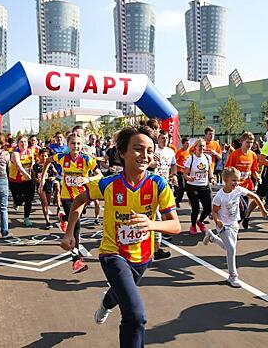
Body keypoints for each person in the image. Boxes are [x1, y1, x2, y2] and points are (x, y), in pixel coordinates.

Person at [60, 126, 181, 347]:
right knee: (136, 316)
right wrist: (70, 233)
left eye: (149, 151)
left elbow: (175, 225)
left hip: (143, 257)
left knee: (119, 293)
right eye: (138, 149)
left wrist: (151, 224)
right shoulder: (108, 184)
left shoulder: (158, 184)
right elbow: (78, 201)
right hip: (112, 253)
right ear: (122, 152)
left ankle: (105, 303)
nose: (144, 156)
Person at [40, 133, 102, 273]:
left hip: (82, 196)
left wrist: (88, 180)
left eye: (78, 144)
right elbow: (48, 160)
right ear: (68, 145)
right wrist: (43, 178)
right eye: (73, 143)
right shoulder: (62, 157)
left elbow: (99, 174)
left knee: (73, 219)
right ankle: (76, 259)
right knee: (77, 225)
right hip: (66, 196)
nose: (76, 146)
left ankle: (63, 218)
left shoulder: (87, 159)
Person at [204, 167, 267, 287]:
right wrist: (217, 221)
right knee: (231, 249)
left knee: (228, 248)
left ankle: (212, 238)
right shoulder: (219, 196)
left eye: (237, 180)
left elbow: (254, 196)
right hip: (223, 225)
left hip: (234, 224)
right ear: (225, 180)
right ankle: (232, 276)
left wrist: (262, 209)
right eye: (233, 180)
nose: (236, 183)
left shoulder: (238, 190)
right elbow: (214, 211)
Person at [150, 130, 177, 259]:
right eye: (162, 138)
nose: (164, 140)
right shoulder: (154, 150)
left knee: (166, 211)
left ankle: (156, 247)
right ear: (158, 139)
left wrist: (174, 175)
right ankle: (156, 249)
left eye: (166, 138)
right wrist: (152, 164)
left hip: (166, 185)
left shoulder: (170, 152)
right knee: (157, 216)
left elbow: (173, 165)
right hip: (153, 186)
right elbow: (145, 163)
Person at [225, 132, 259, 229]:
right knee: (240, 210)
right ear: (241, 142)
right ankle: (230, 227)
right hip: (235, 187)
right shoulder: (235, 154)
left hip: (246, 186)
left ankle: (230, 226)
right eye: (247, 142)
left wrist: (257, 177)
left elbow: (253, 170)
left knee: (243, 211)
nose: (250, 144)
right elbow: (227, 170)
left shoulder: (253, 155)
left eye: (251, 142)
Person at [183, 139, 213, 235]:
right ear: (195, 147)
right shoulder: (191, 159)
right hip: (193, 186)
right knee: (195, 208)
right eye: (200, 146)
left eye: (203, 146)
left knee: (208, 208)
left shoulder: (208, 158)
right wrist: (189, 178)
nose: (202, 148)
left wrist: (211, 178)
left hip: (204, 186)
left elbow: (209, 170)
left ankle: (200, 221)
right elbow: (185, 174)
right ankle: (193, 225)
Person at [8, 136, 36, 227]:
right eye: (21, 142)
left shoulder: (30, 152)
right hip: (15, 181)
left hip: (28, 181)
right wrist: (26, 174)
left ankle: (26, 218)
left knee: (29, 199)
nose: (23, 144)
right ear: (18, 143)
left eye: (25, 142)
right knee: (19, 201)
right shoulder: (15, 153)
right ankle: (16, 203)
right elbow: (18, 166)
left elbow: (33, 163)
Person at [34, 148, 58, 229]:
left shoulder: (50, 165)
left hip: (49, 184)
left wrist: (53, 178)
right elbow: (33, 176)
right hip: (41, 185)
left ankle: (47, 212)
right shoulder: (36, 166)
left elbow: (56, 174)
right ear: (39, 156)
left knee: (48, 202)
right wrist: (38, 180)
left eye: (45, 156)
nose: (44, 158)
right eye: (42, 156)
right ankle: (47, 221)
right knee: (44, 202)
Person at [174, 137, 191, 207]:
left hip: (188, 172)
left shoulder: (190, 152)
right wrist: (182, 167)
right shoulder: (179, 152)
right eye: (187, 143)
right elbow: (175, 163)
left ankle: (191, 201)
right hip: (180, 172)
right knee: (182, 187)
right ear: (183, 144)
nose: (188, 145)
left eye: (189, 143)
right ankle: (177, 201)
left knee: (189, 187)